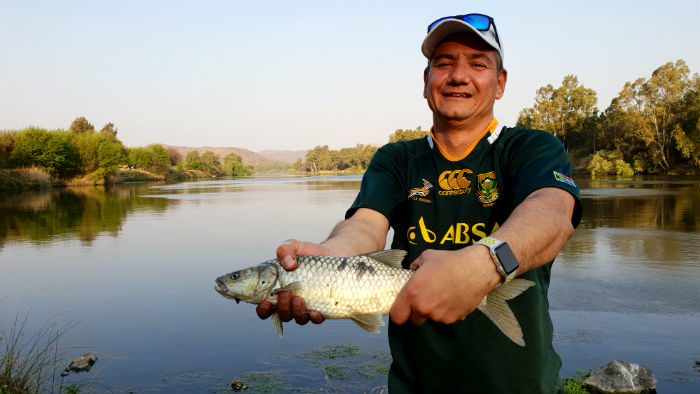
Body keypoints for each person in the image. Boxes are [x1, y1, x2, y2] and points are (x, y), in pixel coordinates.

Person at [257, 13, 582, 393]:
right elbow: (364, 226)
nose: (459, 76)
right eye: (444, 64)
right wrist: (327, 258)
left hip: (523, 385)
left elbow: (553, 213)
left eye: (478, 64)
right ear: (426, 82)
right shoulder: (396, 159)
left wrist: (486, 262)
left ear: (500, 83)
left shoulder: (531, 148)